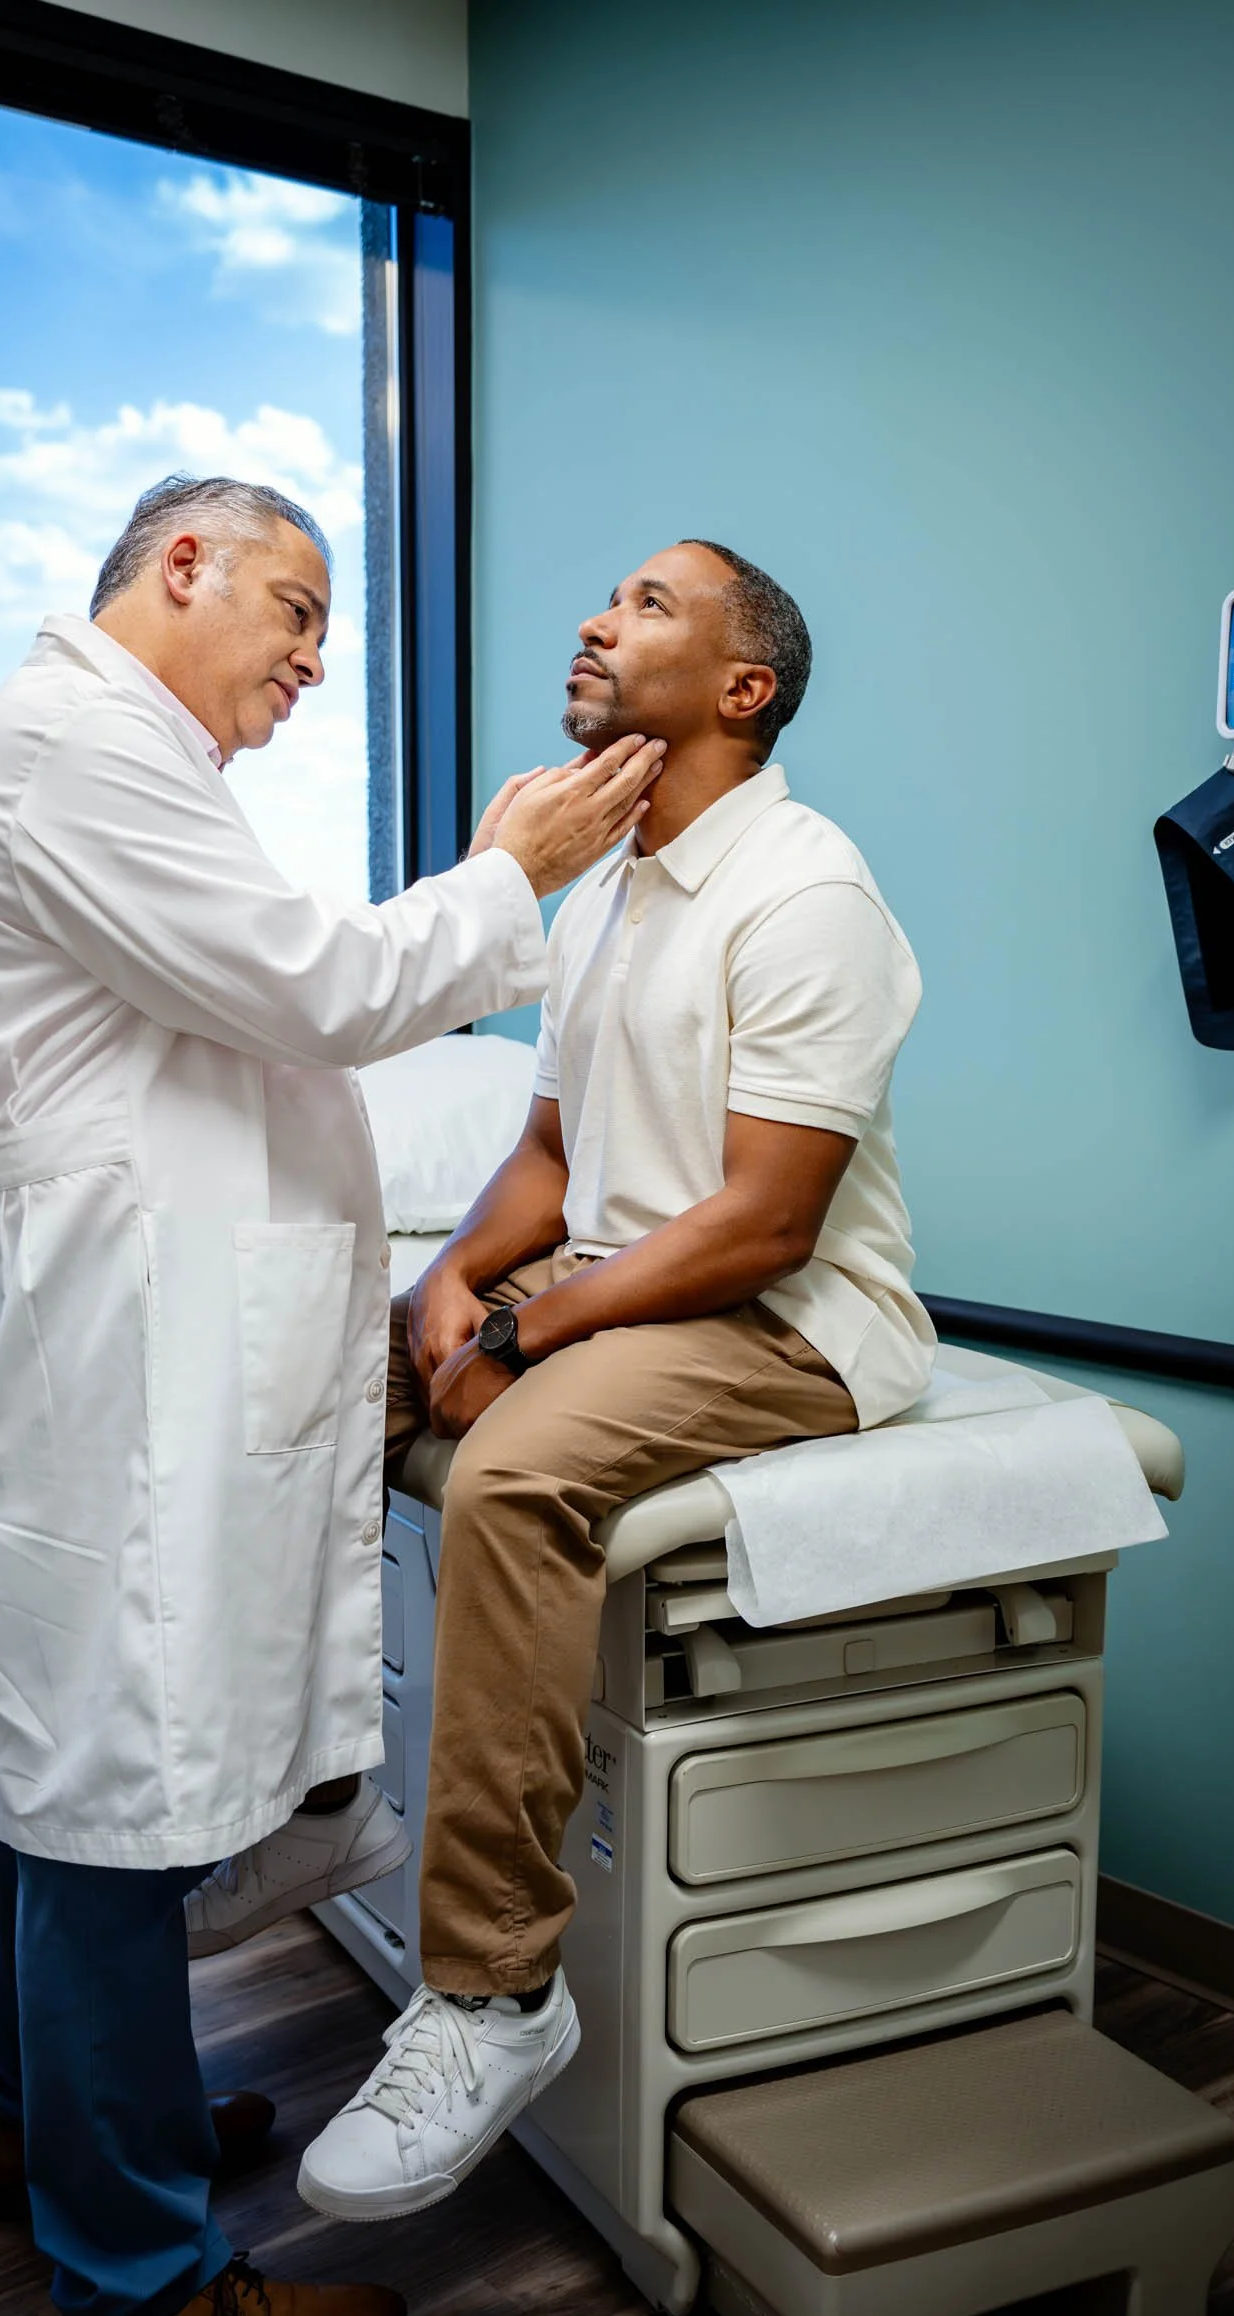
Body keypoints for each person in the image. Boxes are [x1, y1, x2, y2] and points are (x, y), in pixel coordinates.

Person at [0, 471, 664, 2316]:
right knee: (98, 1814)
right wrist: (517, 866)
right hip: (131, 1374)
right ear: (181, 565)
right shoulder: (76, 751)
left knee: (56, 1786)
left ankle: (57, 2140)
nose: (317, 655)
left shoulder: (104, 761)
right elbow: (320, 992)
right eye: (295, 606)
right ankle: (140, 2288)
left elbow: (247, 1026)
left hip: (121, 1351)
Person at [292, 538, 935, 2222]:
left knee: (512, 1473)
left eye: (647, 604)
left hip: (785, 1319)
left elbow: (761, 1222)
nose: (596, 619)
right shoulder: (605, 893)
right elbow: (551, 1154)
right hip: (625, 1282)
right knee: (299, 1377)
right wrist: (446, 1287)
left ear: (745, 690)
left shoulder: (807, 895)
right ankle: (305, 1796)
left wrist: (520, 1341)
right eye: (608, 598)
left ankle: (493, 1994)